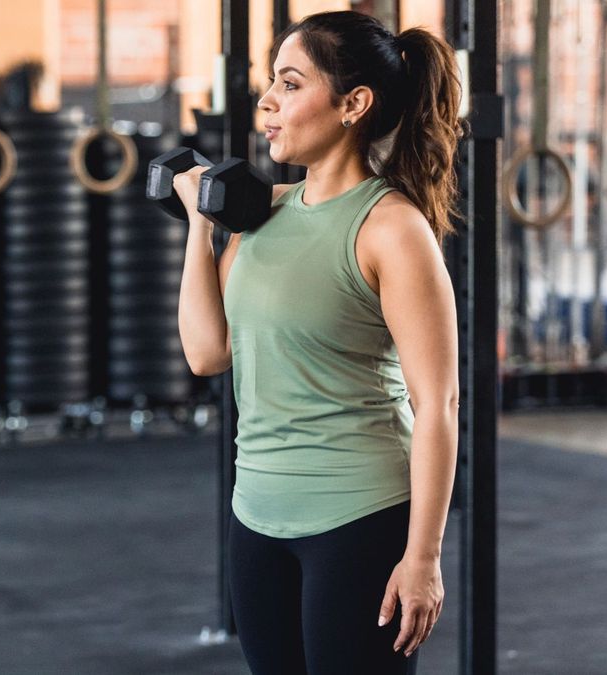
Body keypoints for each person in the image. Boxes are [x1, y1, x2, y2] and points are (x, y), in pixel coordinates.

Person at [174, 10, 463, 674]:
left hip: (359, 518)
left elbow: (438, 404)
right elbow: (207, 353)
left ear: (352, 104)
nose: (267, 102)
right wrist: (199, 228)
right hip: (256, 516)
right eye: (270, 82)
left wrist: (423, 556)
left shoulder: (391, 228)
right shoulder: (261, 213)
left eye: (290, 83)